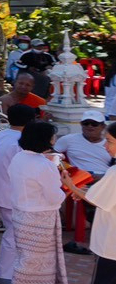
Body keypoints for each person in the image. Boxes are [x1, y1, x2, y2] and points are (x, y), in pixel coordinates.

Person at [4, 120, 78, 284]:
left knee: (39, 259)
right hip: (40, 217)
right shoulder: (43, 165)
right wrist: (67, 187)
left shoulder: (19, 158)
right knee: (32, 261)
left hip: (22, 214)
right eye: (52, 136)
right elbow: (54, 196)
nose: (54, 139)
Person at [0, 103, 35, 284]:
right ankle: (4, 273)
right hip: (11, 192)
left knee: (15, 231)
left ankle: (12, 270)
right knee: (14, 233)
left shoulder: (0, 135)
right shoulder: (22, 141)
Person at [78, 122, 116, 284]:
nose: (106, 146)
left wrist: (71, 185)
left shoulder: (114, 173)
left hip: (111, 245)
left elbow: (95, 199)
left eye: (110, 141)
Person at [56, 109, 112, 256]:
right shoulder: (69, 139)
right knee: (91, 193)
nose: (90, 126)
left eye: (94, 124)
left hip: (106, 178)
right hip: (81, 178)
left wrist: (101, 177)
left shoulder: (110, 144)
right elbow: (53, 155)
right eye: (86, 123)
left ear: (102, 126)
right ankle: (93, 236)